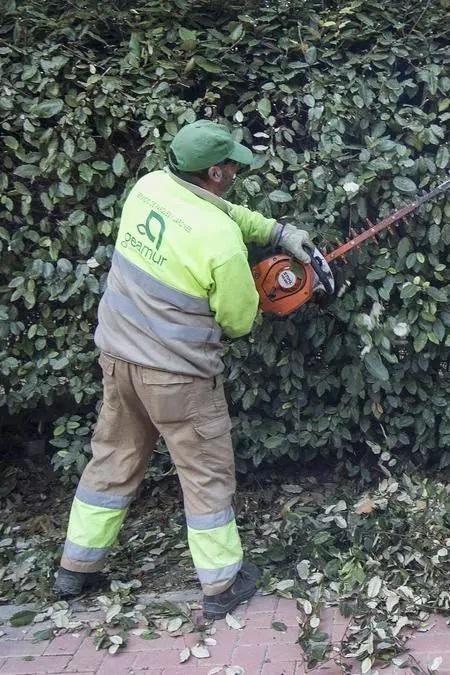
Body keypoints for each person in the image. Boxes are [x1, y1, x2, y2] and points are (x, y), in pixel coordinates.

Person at [51, 119, 330, 619]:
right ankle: (223, 584)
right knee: (205, 473)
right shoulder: (220, 242)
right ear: (217, 172)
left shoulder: (150, 187)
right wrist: (263, 287)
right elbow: (239, 320)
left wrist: (277, 233)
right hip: (176, 378)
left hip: (118, 357)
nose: (236, 175)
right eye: (232, 168)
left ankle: (76, 568)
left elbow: (217, 215)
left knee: (112, 458)